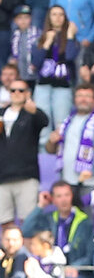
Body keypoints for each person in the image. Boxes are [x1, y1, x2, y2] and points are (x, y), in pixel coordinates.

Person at [45, 82, 94, 196]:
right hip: (67, 181)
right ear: (74, 99)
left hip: (91, 181)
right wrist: (51, 141)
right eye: (80, 96)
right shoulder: (66, 121)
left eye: (87, 96)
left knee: (90, 208)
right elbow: (50, 150)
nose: (83, 99)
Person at [21, 180, 92, 278]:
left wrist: (74, 267)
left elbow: (90, 255)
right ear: (53, 200)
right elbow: (25, 230)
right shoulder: (48, 219)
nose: (64, 200)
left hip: (74, 272)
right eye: (59, 196)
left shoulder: (85, 222)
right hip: (51, 268)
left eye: (67, 195)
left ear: (72, 196)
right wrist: (41, 205)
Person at [0, 76, 47, 227]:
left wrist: (35, 111)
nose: (16, 93)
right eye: (13, 90)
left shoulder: (31, 113)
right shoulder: (1, 112)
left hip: (26, 176)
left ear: (28, 93)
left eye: (21, 90)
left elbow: (44, 122)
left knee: (28, 223)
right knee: (5, 222)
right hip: (2, 176)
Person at [31, 5, 78, 143]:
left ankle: (59, 151)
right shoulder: (40, 38)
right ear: (49, 18)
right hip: (43, 85)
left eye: (61, 14)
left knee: (61, 122)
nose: (58, 18)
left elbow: (70, 56)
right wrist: (47, 42)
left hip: (63, 86)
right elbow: (36, 62)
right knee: (42, 122)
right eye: (54, 14)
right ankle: (42, 151)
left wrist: (70, 35)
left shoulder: (71, 39)